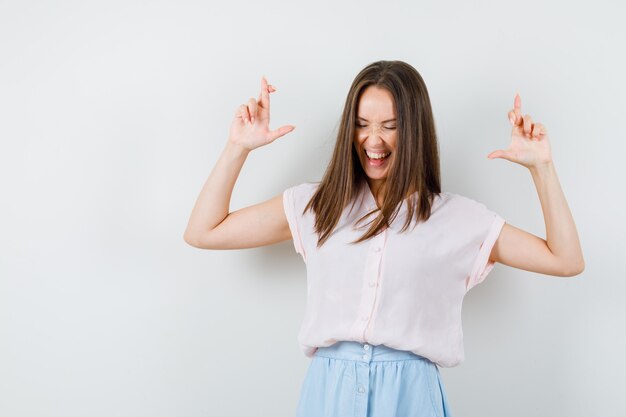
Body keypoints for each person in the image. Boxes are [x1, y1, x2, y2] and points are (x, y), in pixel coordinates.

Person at [183, 60, 585, 417]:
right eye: (362, 124)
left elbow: (565, 260)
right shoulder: (316, 205)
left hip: (410, 394)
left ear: (414, 130)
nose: (373, 140)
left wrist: (542, 168)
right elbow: (203, 231)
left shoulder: (460, 219)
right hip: (329, 391)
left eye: (389, 127)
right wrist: (238, 147)